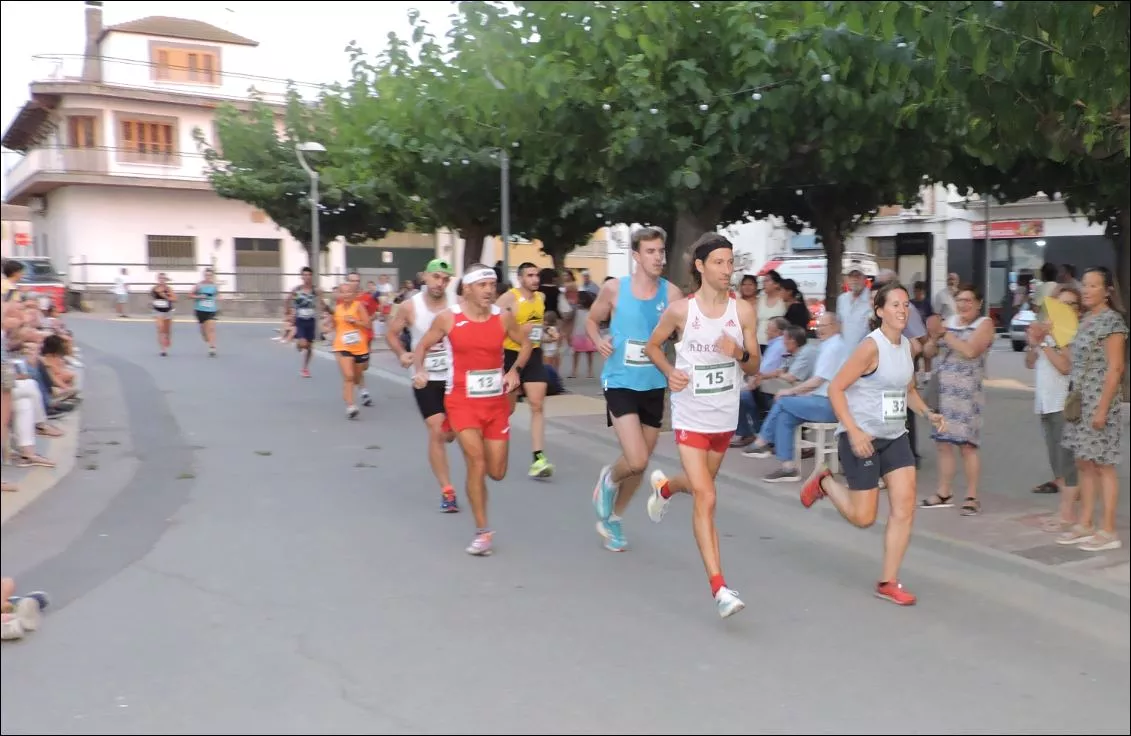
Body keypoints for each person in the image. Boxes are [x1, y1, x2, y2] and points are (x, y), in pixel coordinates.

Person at [800, 281, 945, 606]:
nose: (902, 310)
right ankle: (825, 482)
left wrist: (927, 413)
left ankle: (888, 581)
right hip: (861, 438)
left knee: (904, 508)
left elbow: (907, 390)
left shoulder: (907, 347)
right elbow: (836, 389)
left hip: (895, 437)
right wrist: (854, 432)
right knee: (864, 518)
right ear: (879, 311)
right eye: (895, 305)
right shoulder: (870, 347)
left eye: (906, 305)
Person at [642, 233, 761, 618]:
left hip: (724, 416)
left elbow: (754, 365)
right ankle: (719, 587)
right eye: (719, 262)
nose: (727, 270)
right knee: (707, 497)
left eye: (730, 262)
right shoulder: (681, 311)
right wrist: (669, 371)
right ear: (700, 266)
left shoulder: (743, 311)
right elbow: (652, 346)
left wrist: (737, 351)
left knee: (699, 486)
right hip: (690, 414)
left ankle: (664, 488)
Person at [412, 265, 531, 555]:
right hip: (461, 402)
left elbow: (526, 343)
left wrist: (515, 370)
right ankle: (482, 532)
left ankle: (480, 503)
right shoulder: (448, 318)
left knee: (497, 472)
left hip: (495, 404)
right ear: (467, 288)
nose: (490, 290)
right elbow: (422, 346)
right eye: (483, 285)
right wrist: (420, 370)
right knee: (476, 463)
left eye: (492, 284)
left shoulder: (503, 317)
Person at [587, 226, 684, 552]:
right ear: (636, 256)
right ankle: (609, 479)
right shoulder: (614, 289)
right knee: (637, 459)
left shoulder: (671, 294)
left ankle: (613, 519)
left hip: (654, 384)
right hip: (620, 381)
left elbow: (682, 333)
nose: (658, 258)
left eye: (661, 251)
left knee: (639, 466)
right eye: (651, 252)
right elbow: (592, 320)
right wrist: (598, 340)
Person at [387, 259, 460, 512]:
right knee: (437, 432)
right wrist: (402, 353)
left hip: (455, 377)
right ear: (425, 277)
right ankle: (447, 490)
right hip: (424, 377)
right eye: (436, 277)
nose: (440, 283)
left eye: (445, 279)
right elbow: (391, 333)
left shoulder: (457, 305)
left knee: (450, 434)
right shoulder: (410, 306)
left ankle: (450, 430)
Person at [496, 262, 554, 478]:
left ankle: (538, 458)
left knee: (537, 405)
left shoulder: (541, 298)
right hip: (511, 357)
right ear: (520, 278)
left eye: (536, 275)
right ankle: (492, 441)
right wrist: (520, 330)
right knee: (507, 409)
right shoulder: (508, 298)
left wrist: (548, 333)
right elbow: (494, 324)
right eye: (530, 275)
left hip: (534, 355)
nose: (535, 279)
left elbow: (537, 328)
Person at [331, 282, 370, 419]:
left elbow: (368, 324)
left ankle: (351, 393)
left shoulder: (358, 306)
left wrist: (355, 321)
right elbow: (335, 326)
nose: (346, 294)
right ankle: (350, 406)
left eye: (348, 292)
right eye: (342, 292)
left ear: (354, 294)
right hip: (342, 346)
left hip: (359, 347)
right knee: (348, 376)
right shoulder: (337, 309)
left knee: (356, 379)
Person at [287, 267, 327, 377]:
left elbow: (321, 302)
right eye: (304, 275)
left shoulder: (316, 290)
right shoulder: (297, 289)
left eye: (309, 275)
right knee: (303, 344)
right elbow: (288, 300)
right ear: (301, 276)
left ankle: (305, 368)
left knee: (309, 346)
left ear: (311, 276)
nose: (307, 277)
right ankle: (299, 343)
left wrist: (327, 310)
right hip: (300, 320)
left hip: (311, 320)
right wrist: (288, 313)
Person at [190, 268, 219, 357]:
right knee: (204, 333)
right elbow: (190, 295)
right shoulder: (199, 285)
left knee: (211, 328)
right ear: (204, 275)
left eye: (210, 275)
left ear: (212, 276)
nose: (208, 277)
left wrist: (220, 297)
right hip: (200, 310)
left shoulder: (215, 286)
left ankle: (212, 347)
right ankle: (204, 335)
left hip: (211, 310)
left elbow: (217, 295)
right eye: (206, 275)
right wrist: (198, 297)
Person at [150, 273, 177, 356]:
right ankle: (163, 350)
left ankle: (167, 338)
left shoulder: (168, 289)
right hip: (158, 311)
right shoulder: (154, 289)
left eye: (163, 278)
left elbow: (175, 299)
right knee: (160, 328)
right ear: (157, 279)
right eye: (160, 278)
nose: (161, 280)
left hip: (168, 311)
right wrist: (153, 303)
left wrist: (165, 296)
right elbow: (153, 298)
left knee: (167, 330)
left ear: (165, 280)